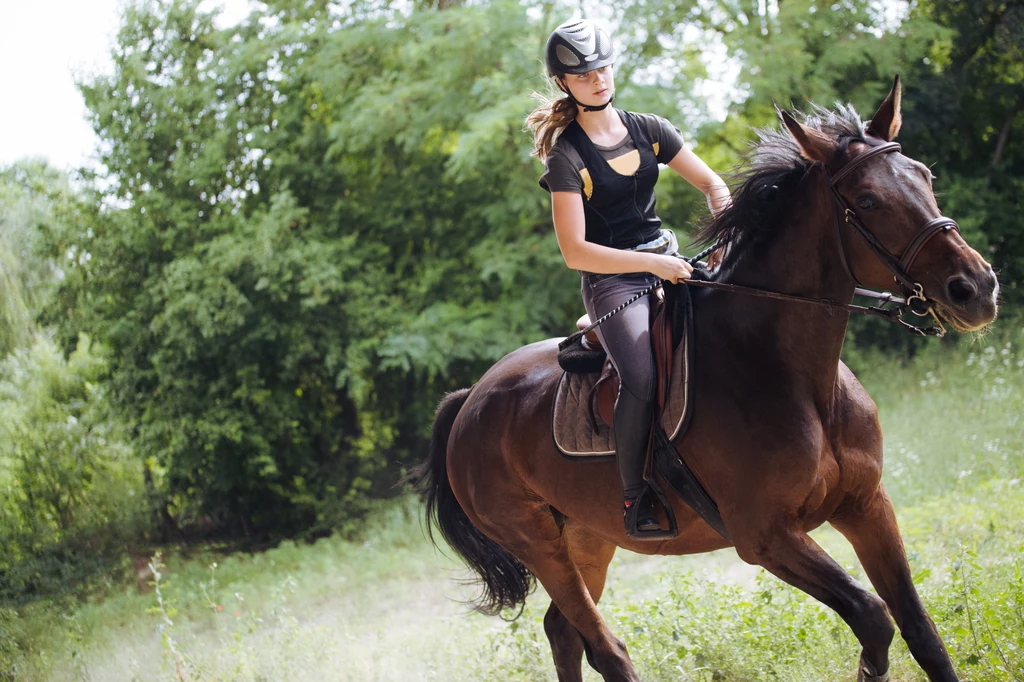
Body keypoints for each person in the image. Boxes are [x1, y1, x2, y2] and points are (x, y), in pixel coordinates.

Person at [526, 18, 731, 539]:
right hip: (612, 281)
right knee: (639, 379)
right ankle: (635, 497)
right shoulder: (567, 156)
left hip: (669, 260)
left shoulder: (651, 130)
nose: (598, 79)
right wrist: (651, 265)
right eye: (584, 74)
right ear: (564, 85)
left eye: (602, 67)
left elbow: (714, 185)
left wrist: (727, 230)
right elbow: (574, 252)